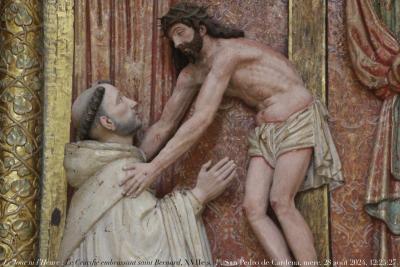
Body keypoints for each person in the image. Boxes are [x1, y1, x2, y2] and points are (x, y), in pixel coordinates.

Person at [121, 3, 343, 266]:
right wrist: (133, 163)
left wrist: (155, 169)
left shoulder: (229, 53)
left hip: (296, 118)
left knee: (281, 202)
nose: (178, 43)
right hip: (266, 132)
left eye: (181, 33)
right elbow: (163, 126)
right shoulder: (192, 74)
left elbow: (202, 117)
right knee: (253, 208)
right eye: (173, 39)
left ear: (200, 28)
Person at [59, 81, 236, 266]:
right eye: (121, 100)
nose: (133, 102)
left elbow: (164, 125)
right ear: (108, 122)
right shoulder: (123, 172)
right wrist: (199, 195)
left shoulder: (98, 177)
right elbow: (144, 246)